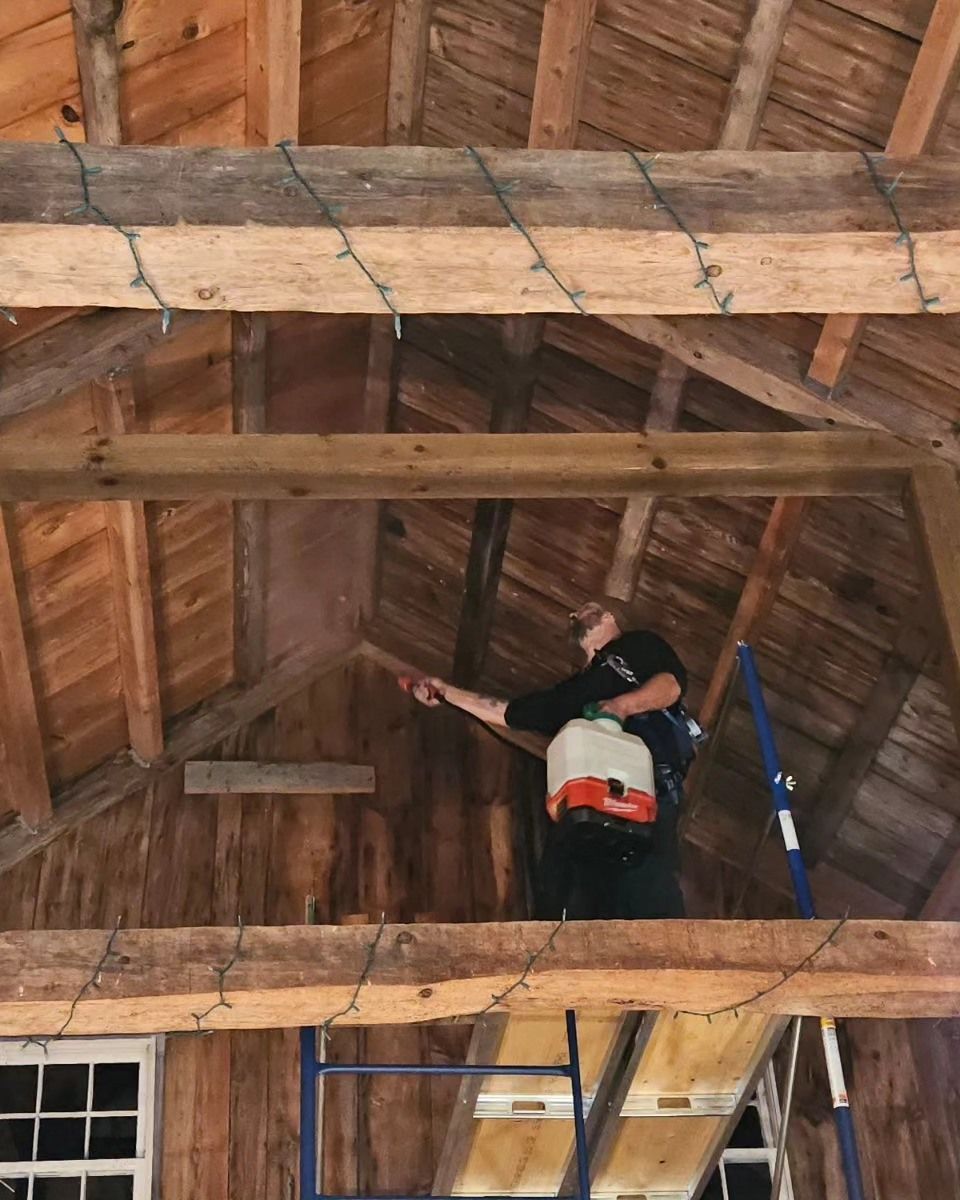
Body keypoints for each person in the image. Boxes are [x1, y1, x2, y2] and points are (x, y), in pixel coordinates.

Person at [411, 600, 695, 920]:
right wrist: (445, 691)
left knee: (648, 888)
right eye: (573, 614)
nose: (575, 614)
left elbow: (671, 685)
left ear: (610, 616)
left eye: (588, 608)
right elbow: (504, 712)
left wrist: (622, 706)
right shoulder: (570, 695)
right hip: (586, 807)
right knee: (563, 893)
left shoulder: (638, 645)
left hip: (646, 791)